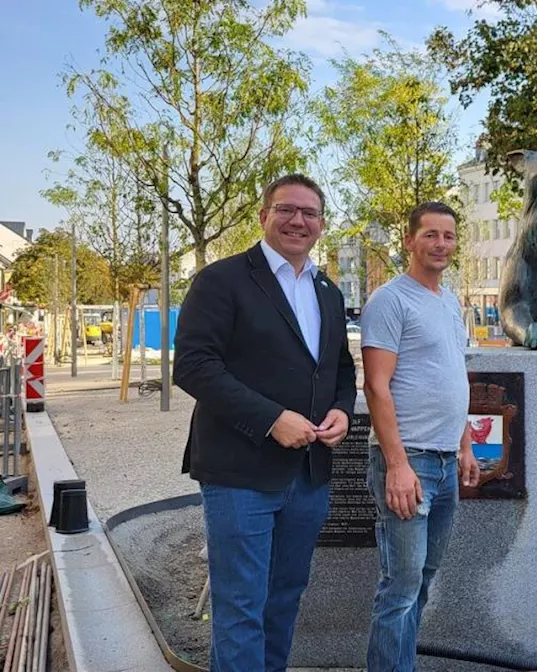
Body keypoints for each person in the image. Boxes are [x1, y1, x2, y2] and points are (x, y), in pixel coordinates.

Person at [174, 174, 357, 672]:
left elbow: (340, 368)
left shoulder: (327, 292)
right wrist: (272, 419)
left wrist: (343, 408)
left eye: (310, 213)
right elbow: (193, 366)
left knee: (283, 600)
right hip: (240, 474)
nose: (298, 220)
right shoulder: (221, 280)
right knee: (239, 609)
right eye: (286, 209)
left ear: (321, 224)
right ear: (263, 216)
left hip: (309, 474)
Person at [360, 202, 481, 671]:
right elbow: (376, 385)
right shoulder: (390, 301)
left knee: (423, 581)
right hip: (409, 460)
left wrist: (465, 444)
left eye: (448, 236)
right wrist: (396, 464)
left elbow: (453, 377)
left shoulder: (450, 302)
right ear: (409, 241)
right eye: (430, 235)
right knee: (401, 586)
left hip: (446, 461)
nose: (440, 245)